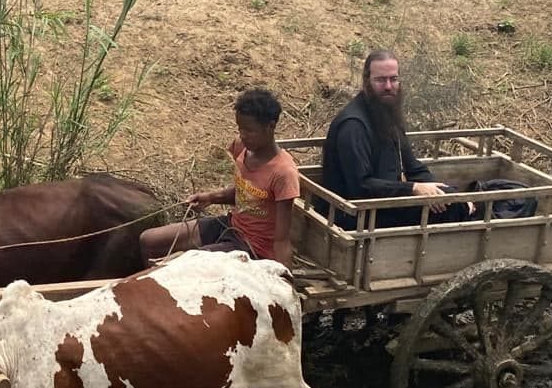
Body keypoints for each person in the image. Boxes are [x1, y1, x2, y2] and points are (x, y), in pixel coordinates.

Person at [139, 88, 300, 269]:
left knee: (184, 266)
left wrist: (283, 276)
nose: (242, 135)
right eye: (240, 128)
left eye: (249, 130)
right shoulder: (242, 148)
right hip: (230, 225)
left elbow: (281, 240)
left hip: (253, 248)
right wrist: (211, 197)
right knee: (149, 240)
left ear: (270, 126)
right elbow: (246, 194)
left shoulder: (283, 173)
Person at [320, 50, 470, 229]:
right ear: (366, 81)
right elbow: (360, 187)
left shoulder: (387, 113)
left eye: (393, 79)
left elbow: (412, 166)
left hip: (386, 202)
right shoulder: (354, 125)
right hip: (355, 214)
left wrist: (436, 191)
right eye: (380, 80)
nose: (388, 86)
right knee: (455, 209)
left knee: (454, 199)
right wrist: (413, 189)